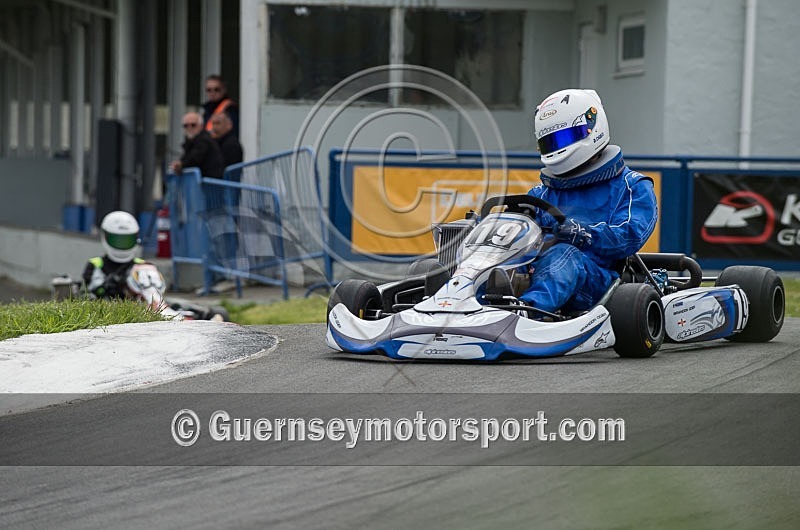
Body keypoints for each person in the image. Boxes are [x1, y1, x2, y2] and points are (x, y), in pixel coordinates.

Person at [516, 88, 658, 313]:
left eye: (564, 138)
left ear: (593, 127)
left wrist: (583, 234)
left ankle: (528, 314)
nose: (558, 147)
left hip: (600, 284)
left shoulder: (632, 186)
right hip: (537, 274)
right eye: (550, 143)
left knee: (565, 253)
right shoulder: (540, 195)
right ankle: (456, 310)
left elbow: (630, 236)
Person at [83, 211, 146, 299]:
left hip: (138, 308)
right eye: (117, 240)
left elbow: (155, 293)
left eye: (126, 240)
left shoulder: (143, 266)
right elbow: (89, 290)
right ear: (105, 236)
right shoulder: (95, 264)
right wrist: (106, 286)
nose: (122, 244)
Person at [169, 111, 225, 178]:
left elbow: (195, 158)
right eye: (186, 125)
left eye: (193, 125)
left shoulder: (204, 140)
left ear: (201, 126)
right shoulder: (192, 142)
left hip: (210, 184)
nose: (189, 128)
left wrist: (182, 165)